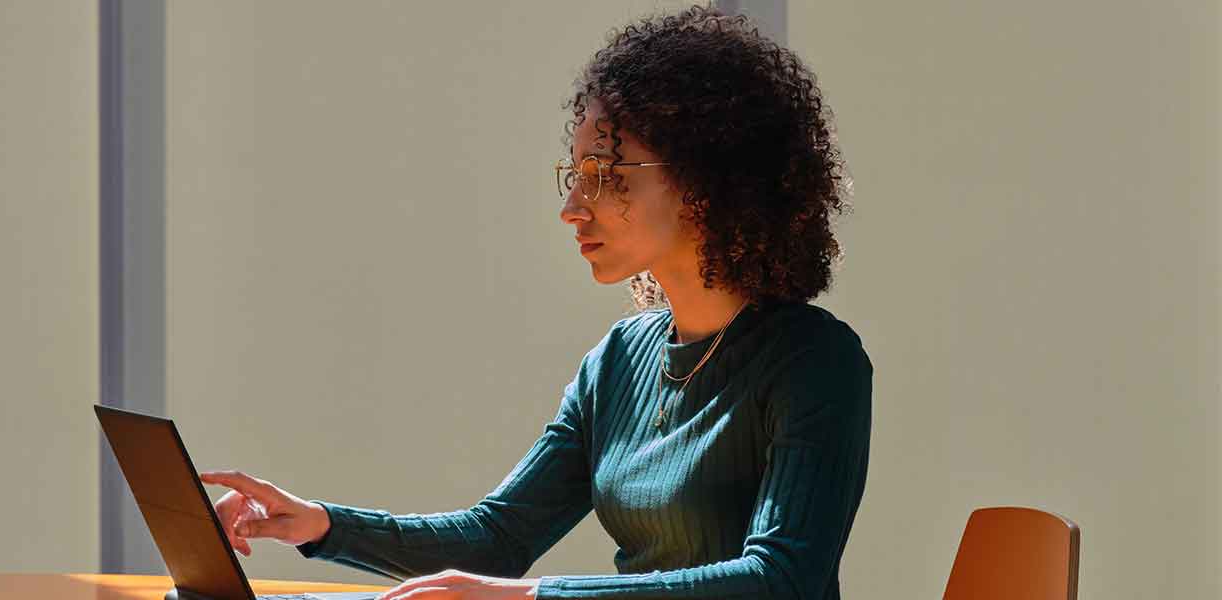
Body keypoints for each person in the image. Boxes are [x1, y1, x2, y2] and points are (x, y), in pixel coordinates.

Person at [201, 6, 870, 600]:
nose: (572, 210)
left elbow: (781, 580)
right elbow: (497, 538)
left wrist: (529, 599)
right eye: (573, 177)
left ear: (706, 182)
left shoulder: (814, 359)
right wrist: (318, 524)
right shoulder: (618, 363)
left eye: (604, 177)